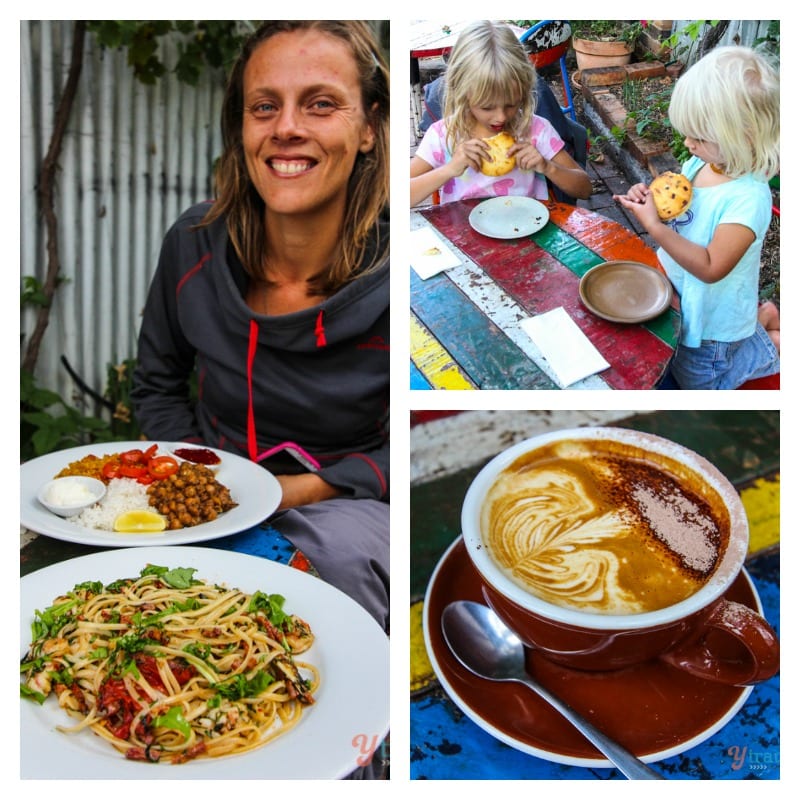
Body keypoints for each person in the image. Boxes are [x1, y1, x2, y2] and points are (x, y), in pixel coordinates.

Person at [131, 21, 389, 639]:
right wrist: (199, 481)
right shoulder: (193, 244)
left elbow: (409, 447)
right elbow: (156, 387)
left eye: (321, 104)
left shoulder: (407, 280)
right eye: (264, 107)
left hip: (348, 508)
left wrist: (289, 493)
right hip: (208, 496)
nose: (287, 128)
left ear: (370, 129)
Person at [614, 45, 779, 389]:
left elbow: (709, 267)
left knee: (694, 382)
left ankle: (770, 348)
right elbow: (678, 205)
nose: (687, 143)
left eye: (699, 137)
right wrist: (650, 200)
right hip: (680, 293)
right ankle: (762, 317)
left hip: (712, 325)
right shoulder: (702, 163)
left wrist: (654, 228)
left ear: (744, 137)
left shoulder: (747, 199)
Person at [410, 20, 591, 207]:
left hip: (526, 230)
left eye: (511, 105)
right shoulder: (444, 135)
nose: (501, 117)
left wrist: (547, 167)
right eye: (487, 107)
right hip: (462, 233)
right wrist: (448, 170)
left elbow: (585, 189)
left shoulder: (535, 130)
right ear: (462, 94)